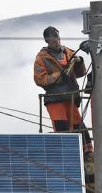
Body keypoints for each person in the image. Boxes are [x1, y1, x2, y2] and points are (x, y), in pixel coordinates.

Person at [33, 26, 94, 160]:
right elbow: (40, 79)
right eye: (54, 40)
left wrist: (79, 62)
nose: (57, 42)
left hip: (71, 96)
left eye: (58, 39)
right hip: (55, 99)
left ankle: (87, 152)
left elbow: (80, 73)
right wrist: (58, 76)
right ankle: (69, 155)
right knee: (61, 126)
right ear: (47, 41)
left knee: (78, 124)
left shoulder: (68, 52)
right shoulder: (41, 58)